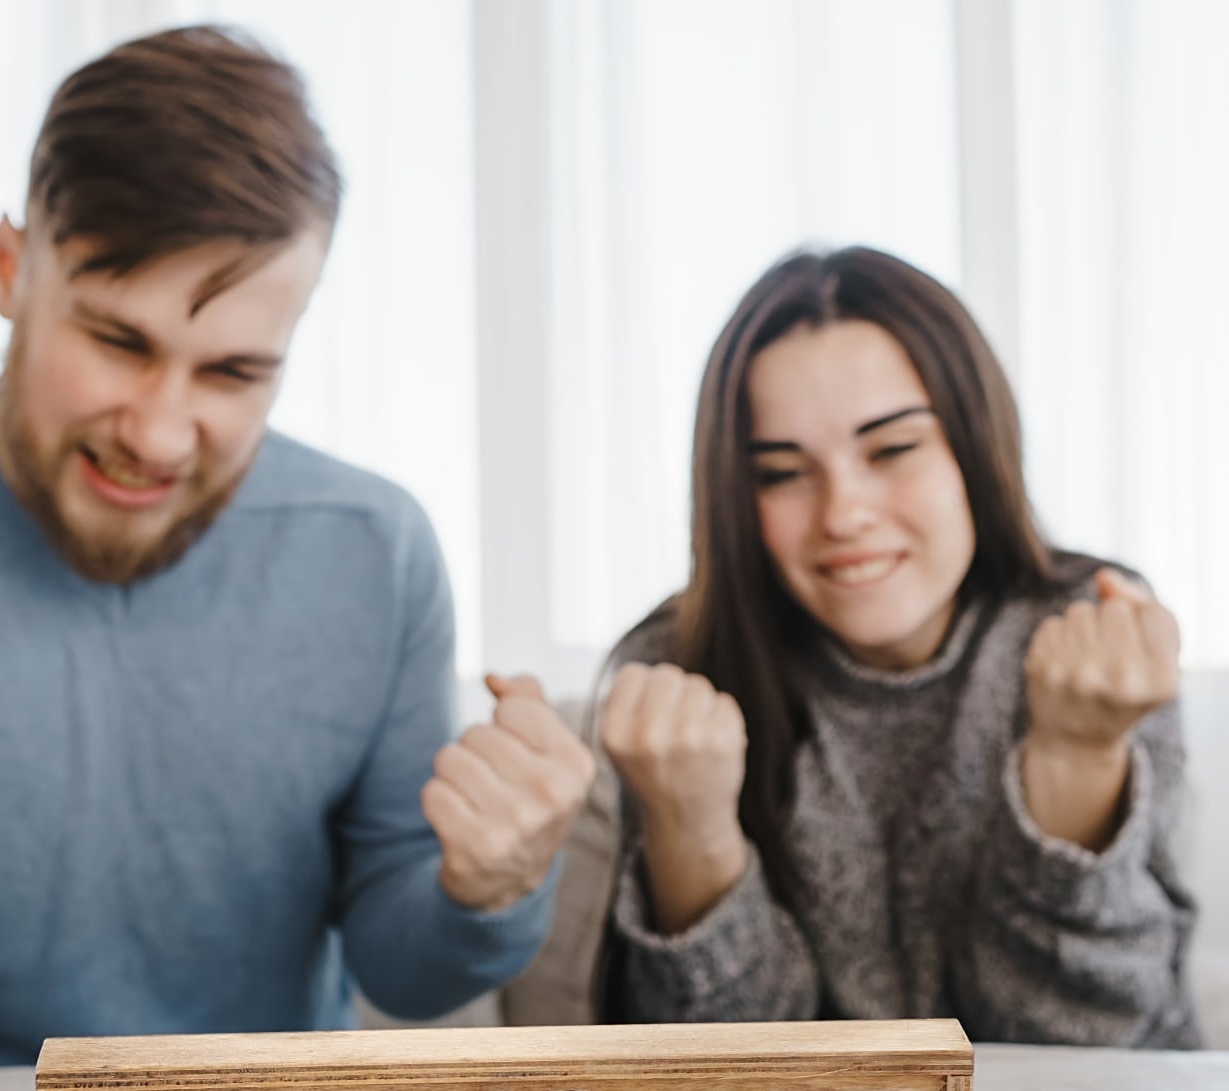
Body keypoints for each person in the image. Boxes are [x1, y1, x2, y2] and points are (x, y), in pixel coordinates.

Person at [0, 27, 594, 1091]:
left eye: (234, 371)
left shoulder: (376, 551)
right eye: (117, 341)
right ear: (12, 271)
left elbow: (407, 971)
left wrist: (491, 889)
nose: (157, 434)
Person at [513, 246, 1198, 1046]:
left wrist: (1079, 755)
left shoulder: (1096, 638)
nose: (844, 512)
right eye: (780, 472)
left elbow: (1084, 1041)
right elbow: (723, 1081)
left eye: (892, 450)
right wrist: (690, 826)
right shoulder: (677, 676)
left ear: (974, 448)